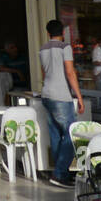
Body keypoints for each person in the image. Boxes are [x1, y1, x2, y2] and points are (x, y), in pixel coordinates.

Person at [40, 19, 84, 189]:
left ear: (48, 32)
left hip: (46, 94)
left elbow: (45, 73)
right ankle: (59, 174)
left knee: (56, 135)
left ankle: (61, 174)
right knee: (71, 133)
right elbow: (70, 72)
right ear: (63, 33)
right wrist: (79, 96)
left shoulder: (42, 49)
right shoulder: (65, 47)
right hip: (61, 96)